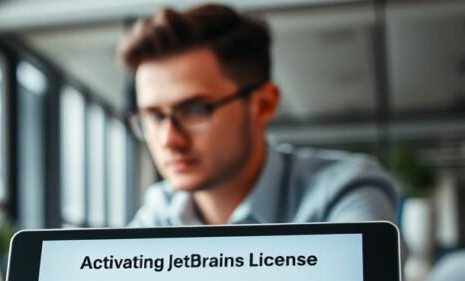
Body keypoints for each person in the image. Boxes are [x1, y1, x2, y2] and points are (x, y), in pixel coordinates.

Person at [119, 4, 401, 228]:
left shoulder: (341, 191)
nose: (169, 139)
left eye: (195, 109)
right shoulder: (160, 209)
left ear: (263, 104)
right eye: (154, 116)